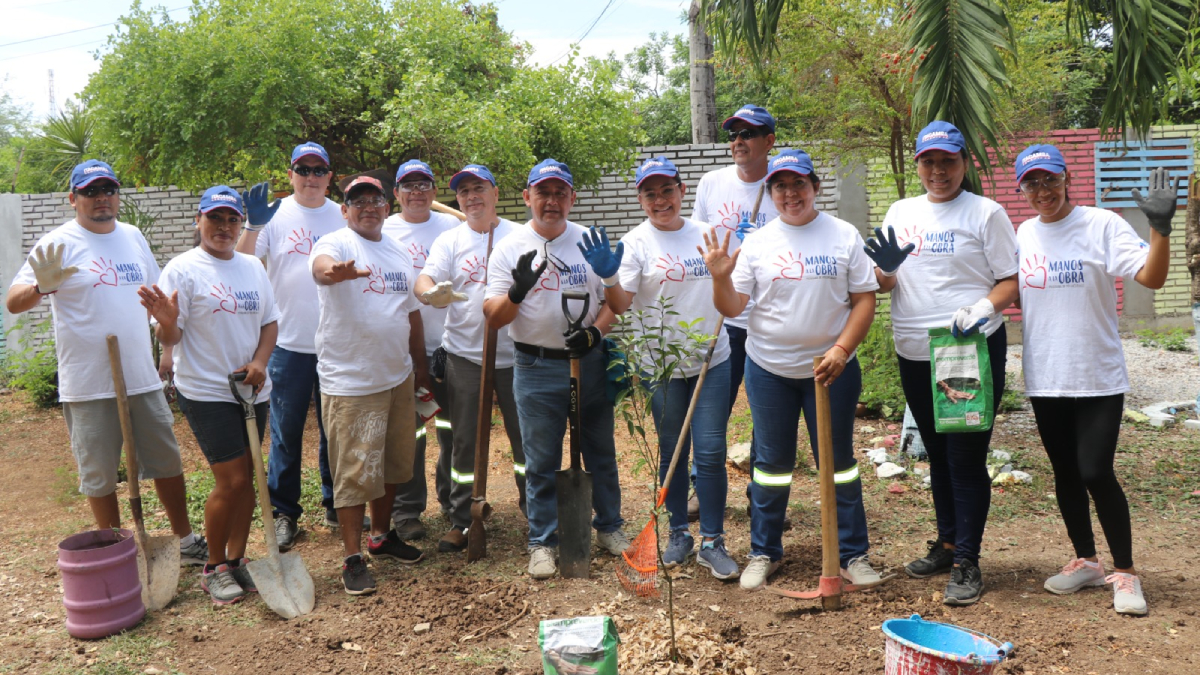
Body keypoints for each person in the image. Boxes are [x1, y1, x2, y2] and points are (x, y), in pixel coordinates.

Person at [4, 159, 207, 564]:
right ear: (73, 198)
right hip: (87, 381)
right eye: (91, 192)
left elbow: (157, 304)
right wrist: (42, 287)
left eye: (108, 190)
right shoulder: (57, 242)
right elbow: (13, 302)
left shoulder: (132, 237)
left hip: (139, 376)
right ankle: (117, 549)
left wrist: (167, 347)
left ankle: (184, 541)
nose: (102, 199)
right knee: (99, 472)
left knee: (166, 458)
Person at [702, 149, 882, 591]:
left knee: (838, 463)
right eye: (780, 186)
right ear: (771, 193)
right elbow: (732, 307)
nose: (790, 193)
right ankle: (764, 551)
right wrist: (721, 278)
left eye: (798, 184)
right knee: (770, 465)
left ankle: (852, 554)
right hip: (770, 370)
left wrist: (842, 349)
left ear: (815, 187)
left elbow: (864, 298)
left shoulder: (843, 235)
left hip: (832, 369)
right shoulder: (759, 243)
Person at [1011, 145, 1176, 615]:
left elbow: (1153, 277)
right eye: (1032, 183)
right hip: (1046, 376)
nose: (1043, 191)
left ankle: (1124, 572)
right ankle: (1085, 560)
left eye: (1050, 179)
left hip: (1097, 374)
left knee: (1095, 471)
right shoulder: (1024, 234)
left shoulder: (1102, 225)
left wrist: (1160, 229)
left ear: (1067, 179)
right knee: (1065, 473)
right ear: (1022, 188)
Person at [864, 121, 1019, 606]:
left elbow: (1010, 280)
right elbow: (887, 284)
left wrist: (983, 309)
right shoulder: (901, 210)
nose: (938, 171)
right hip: (914, 349)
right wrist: (884, 271)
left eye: (948, 161)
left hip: (967, 348)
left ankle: (968, 560)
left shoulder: (985, 213)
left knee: (965, 458)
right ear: (917, 165)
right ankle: (948, 542)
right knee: (936, 452)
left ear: (964, 162)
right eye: (929, 162)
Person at [483, 159, 627, 580]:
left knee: (601, 451)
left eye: (560, 193)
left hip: (588, 363)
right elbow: (494, 318)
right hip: (535, 365)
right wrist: (516, 291)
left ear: (572, 199)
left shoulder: (589, 243)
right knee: (540, 458)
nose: (551, 201)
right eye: (542, 193)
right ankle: (542, 542)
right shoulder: (509, 248)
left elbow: (616, 305)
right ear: (527, 197)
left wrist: (596, 333)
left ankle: (610, 527)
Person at [139, 186, 280, 605]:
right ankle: (212, 566)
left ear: (240, 223)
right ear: (198, 220)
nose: (224, 227)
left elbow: (270, 323)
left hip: (253, 389)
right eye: (215, 219)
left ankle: (236, 561)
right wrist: (166, 322)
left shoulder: (253, 266)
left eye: (231, 219)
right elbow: (172, 334)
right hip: (207, 390)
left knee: (251, 479)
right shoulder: (182, 269)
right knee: (232, 479)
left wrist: (260, 363)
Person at [601, 155, 738, 579]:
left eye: (667, 190)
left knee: (712, 451)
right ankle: (680, 533)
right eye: (650, 193)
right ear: (640, 199)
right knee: (672, 453)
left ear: (681, 191)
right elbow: (621, 305)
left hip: (710, 360)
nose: (660, 199)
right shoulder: (636, 244)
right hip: (660, 366)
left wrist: (723, 273)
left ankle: (713, 541)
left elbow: (731, 288)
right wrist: (609, 279)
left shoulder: (709, 234)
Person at [309, 176, 427, 595]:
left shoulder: (397, 250)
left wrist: (420, 367)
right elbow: (321, 269)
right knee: (355, 471)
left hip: (397, 376)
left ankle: (381, 535)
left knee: (394, 463)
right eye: (357, 201)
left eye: (375, 199)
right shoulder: (336, 243)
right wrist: (333, 274)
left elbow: (410, 313)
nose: (368, 206)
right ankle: (352, 557)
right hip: (352, 382)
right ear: (345, 210)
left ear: (386, 205)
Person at [234, 142, 344, 549]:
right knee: (286, 433)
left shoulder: (341, 214)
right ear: (291, 174)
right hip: (288, 344)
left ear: (329, 176)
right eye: (304, 169)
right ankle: (285, 513)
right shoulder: (275, 215)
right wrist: (252, 225)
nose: (311, 177)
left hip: (337, 341)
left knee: (336, 430)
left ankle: (337, 504)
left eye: (319, 170)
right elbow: (242, 265)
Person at [414, 164, 528, 552]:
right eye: (463, 192)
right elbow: (423, 280)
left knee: (525, 439)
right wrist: (432, 294)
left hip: (517, 355)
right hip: (464, 355)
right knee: (463, 442)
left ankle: (535, 513)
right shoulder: (451, 240)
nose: (471, 197)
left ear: (496, 193)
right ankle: (462, 518)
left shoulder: (520, 236)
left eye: (478, 188)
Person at [689, 104, 781, 519]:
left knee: (768, 414)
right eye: (734, 134)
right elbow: (698, 240)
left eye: (749, 133)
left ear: (769, 141)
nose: (739, 141)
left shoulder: (783, 182)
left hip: (768, 316)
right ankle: (699, 486)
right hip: (723, 317)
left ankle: (762, 492)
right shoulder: (712, 183)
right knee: (712, 408)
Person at [381, 160, 459, 542]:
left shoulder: (452, 226)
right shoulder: (384, 230)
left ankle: (453, 500)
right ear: (396, 194)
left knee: (451, 429)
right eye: (408, 185)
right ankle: (407, 511)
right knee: (409, 435)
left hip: (450, 347)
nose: (416, 192)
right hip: (402, 349)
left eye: (424, 184)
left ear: (434, 190)